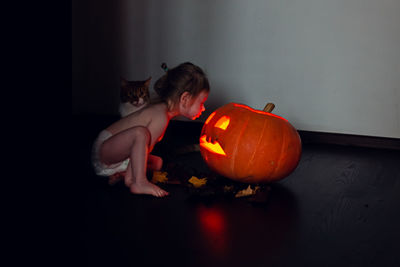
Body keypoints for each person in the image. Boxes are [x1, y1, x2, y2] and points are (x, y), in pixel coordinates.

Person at [91, 62, 210, 197]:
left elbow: (142, 151)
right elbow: (140, 143)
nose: (203, 108)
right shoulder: (160, 117)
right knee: (141, 133)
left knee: (158, 163)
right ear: (185, 98)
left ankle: (123, 175)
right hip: (105, 151)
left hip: (117, 153)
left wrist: (129, 176)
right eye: (201, 103)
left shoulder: (163, 113)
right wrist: (133, 180)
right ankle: (140, 182)